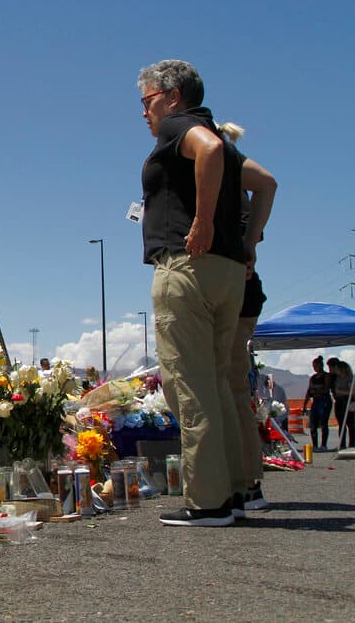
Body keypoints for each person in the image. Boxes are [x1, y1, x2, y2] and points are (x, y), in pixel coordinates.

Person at [137, 60, 248, 527]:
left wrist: (201, 221)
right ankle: (236, 489)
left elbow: (208, 153)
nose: (144, 113)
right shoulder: (222, 136)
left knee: (189, 387)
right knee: (219, 385)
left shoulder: (184, 128)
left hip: (188, 268)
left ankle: (207, 502)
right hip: (226, 271)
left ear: (172, 96)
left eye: (147, 102)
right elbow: (266, 184)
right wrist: (249, 241)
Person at [221, 121, 277, 514]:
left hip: (234, 291)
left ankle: (245, 482)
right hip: (241, 291)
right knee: (231, 384)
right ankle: (242, 480)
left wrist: (247, 244)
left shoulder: (225, 167)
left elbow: (268, 182)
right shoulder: (231, 184)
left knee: (231, 384)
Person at [301, 356, 332, 451]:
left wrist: (316, 392)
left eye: (315, 366)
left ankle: (323, 445)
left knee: (323, 423)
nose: (314, 368)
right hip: (315, 401)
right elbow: (309, 391)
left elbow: (326, 389)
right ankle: (315, 445)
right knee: (313, 424)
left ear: (320, 365)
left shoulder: (326, 376)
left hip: (324, 401)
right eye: (313, 366)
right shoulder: (313, 378)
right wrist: (305, 405)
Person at [327, 358, 354, 449]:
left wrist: (341, 392)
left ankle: (352, 444)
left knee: (350, 424)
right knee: (341, 424)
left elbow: (352, 392)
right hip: (339, 402)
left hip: (349, 402)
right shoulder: (336, 378)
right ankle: (342, 445)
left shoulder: (350, 378)